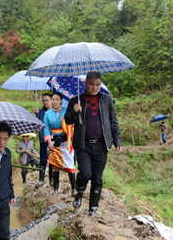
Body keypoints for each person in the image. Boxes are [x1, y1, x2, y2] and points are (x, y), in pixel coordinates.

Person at [65, 71, 122, 216]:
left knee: (97, 178)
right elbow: (68, 120)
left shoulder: (106, 100)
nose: (95, 88)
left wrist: (117, 140)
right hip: (83, 145)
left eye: (97, 85)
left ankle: (93, 208)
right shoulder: (75, 100)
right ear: (85, 83)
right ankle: (79, 192)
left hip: (101, 145)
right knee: (85, 173)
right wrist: (75, 112)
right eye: (91, 84)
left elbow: (113, 121)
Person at [43, 93, 77, 196]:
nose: (55, 102)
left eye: (57, 99)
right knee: (55, 165)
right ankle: (56, 189)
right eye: (53, 99)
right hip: (54, 141)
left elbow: (71, 123)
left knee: (70, 163)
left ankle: (74, 189)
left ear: (61, 101)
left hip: (66, 140)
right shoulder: (47, 114)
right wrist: (48, 141)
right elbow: (46, 128)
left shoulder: (67, 111)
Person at [34, 93, 53, 187]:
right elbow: (36, 125)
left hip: (53, 140)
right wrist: (35, 115)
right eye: (43, 100)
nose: (45, 102)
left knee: (53, 160)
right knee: (43, 160)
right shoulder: (40, 112)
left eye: (47, 100)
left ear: (51, 101)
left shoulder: (55, 111)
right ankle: (41, 179)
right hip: (43, 140)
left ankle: (52, 180)